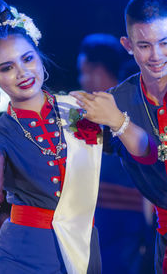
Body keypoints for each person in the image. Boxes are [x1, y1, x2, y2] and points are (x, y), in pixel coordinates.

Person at [0, 0, 153, 274]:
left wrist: (117, 120)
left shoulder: (80, 110)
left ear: (38, 56)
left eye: (27, 58)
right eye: (6, 67)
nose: (22, 72)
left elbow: (147, 153)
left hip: (82, 251)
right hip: (21, 258)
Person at [71, 0, 167, 274]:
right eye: (145, 45)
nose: (157, 55)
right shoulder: (118, 100)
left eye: (164, 43)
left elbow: (154, 157)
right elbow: (60, 137)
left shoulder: (114, 110)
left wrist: (120, 123)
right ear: (128, 45)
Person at [77, 33, 155, 274]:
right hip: (115, 240)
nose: (82, 80)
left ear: (98, 71)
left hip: (121, 239)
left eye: (84, 71)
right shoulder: (135, 109)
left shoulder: (129, 114)